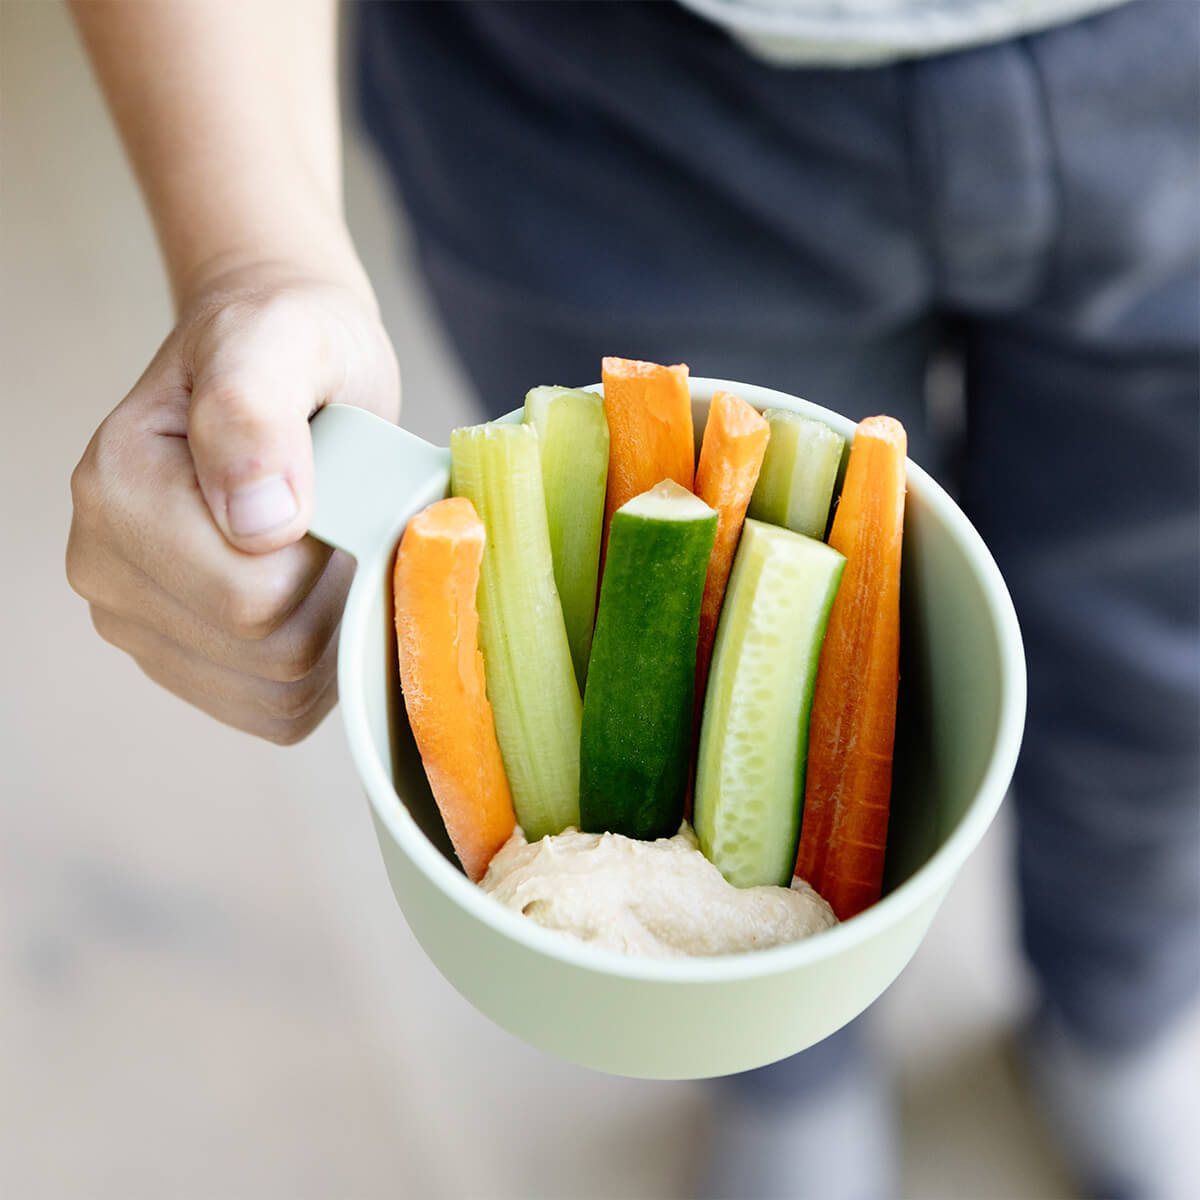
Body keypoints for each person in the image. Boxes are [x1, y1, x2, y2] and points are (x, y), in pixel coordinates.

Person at [66, 2, 1198, 1197]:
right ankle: (777, 1075)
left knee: (1160, 672)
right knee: (623, 565)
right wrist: (254, 257)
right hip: (595, 96)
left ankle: (1119, 1014)